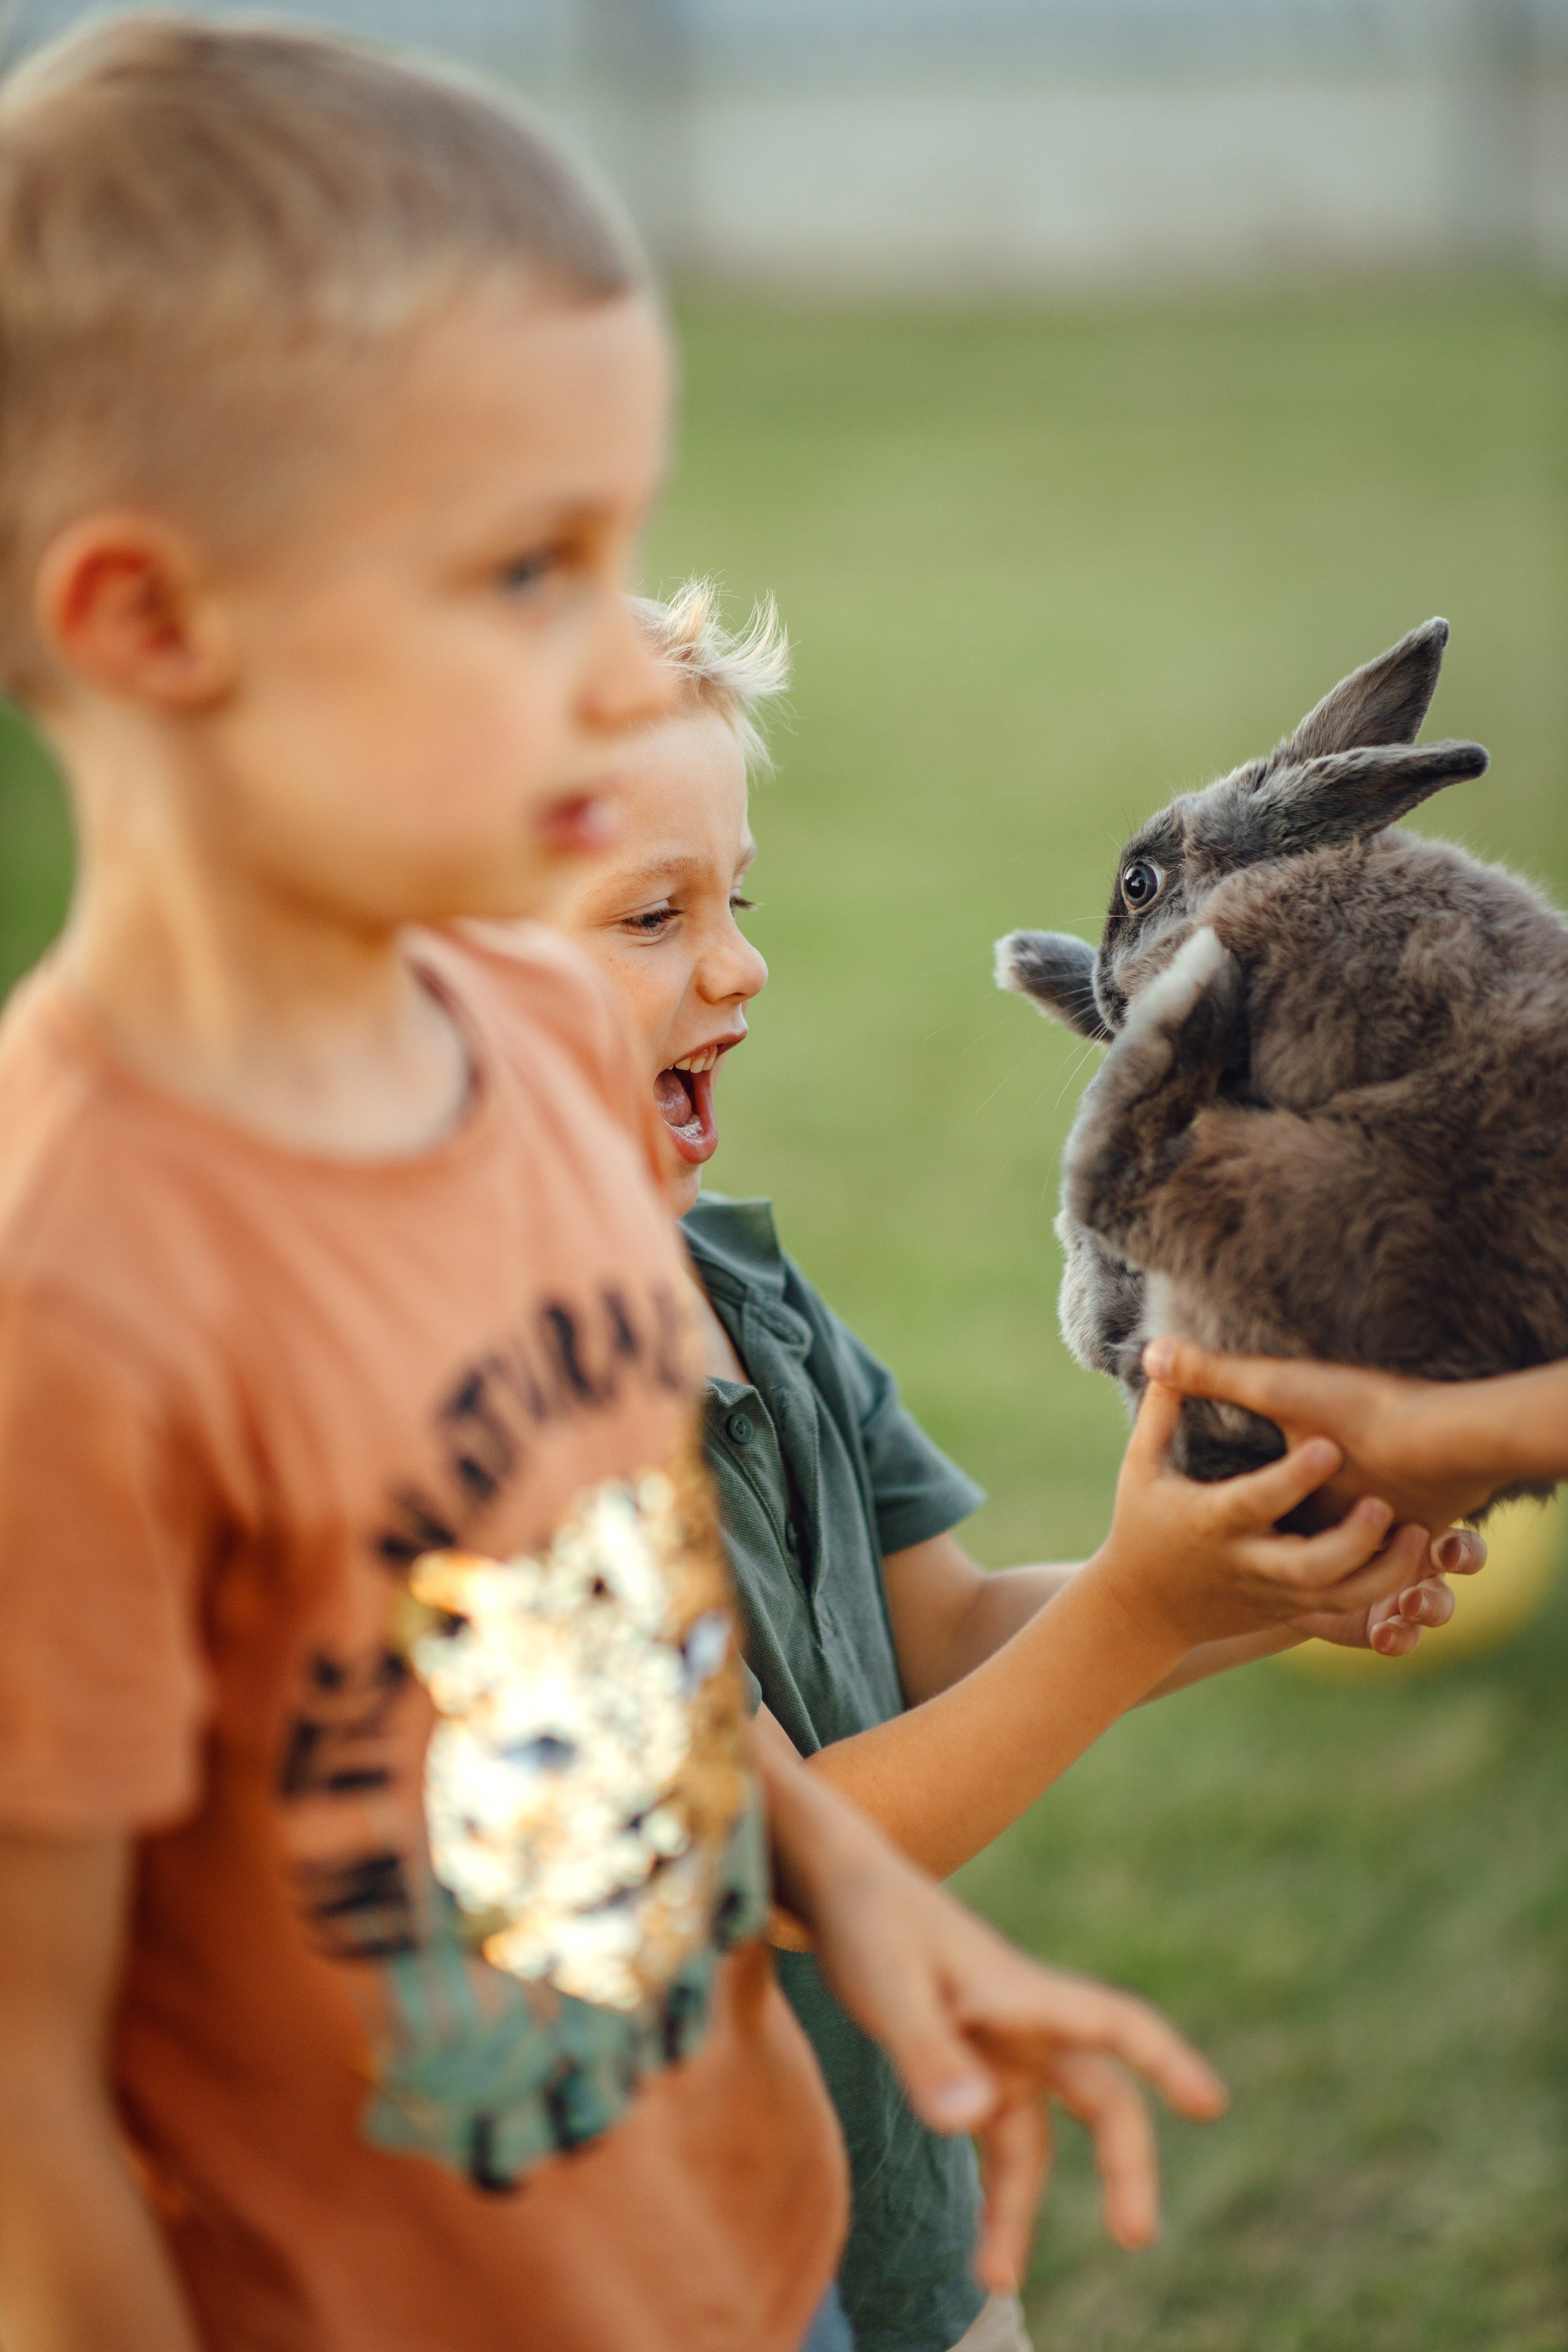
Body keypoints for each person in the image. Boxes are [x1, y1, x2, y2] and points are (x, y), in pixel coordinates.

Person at [0, 21, 1235, 2352]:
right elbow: (27, 2102)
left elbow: (627, 1660)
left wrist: (876, 1904)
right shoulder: (71, 1291)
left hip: (754, 2255)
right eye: (524, 571)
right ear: (153, 626)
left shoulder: (535, 1063)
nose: (613, 659)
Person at [550, 581, 1487, 2352]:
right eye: (652, 915)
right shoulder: (480, 1427)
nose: (740, 965)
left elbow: (952, 1633)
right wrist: (1137, 1609)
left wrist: (1266, 1573)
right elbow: (772, 1863)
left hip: (899, 2230)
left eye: (739, 901)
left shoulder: (746, 1294)